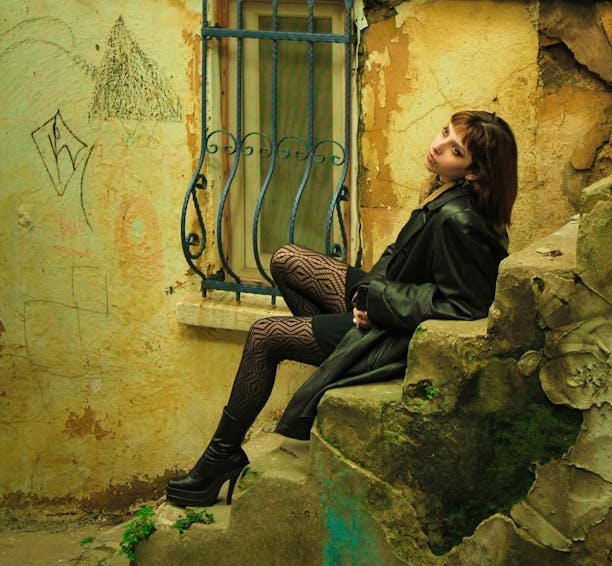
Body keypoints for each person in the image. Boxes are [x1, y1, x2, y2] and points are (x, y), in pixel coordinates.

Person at [165, 108, 517, 507]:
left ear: (474, 172)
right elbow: (404, 258)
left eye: (454, 149)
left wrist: (379, 306)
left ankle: (220, 457)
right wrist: (368, 294)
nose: (438, 146)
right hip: (385, 302)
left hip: (394, 337)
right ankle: (331, 363)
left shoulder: (460, 218)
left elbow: (464, 305)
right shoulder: (445, 189)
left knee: (266, 334)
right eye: (444, 133)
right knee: (286, 259)